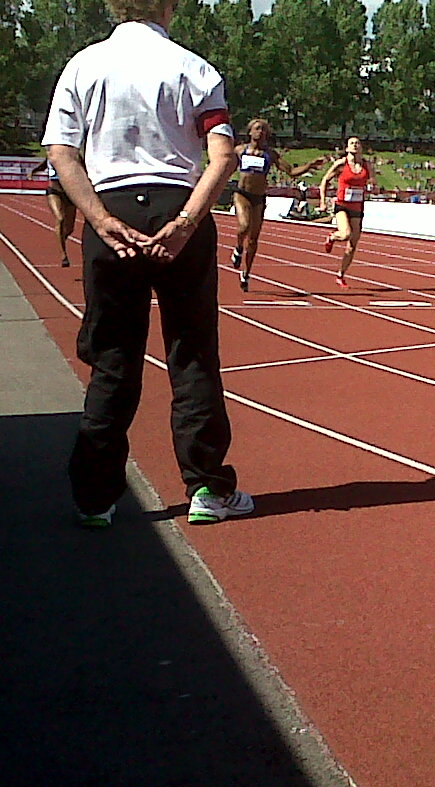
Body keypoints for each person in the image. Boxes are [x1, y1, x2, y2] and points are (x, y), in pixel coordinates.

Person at [42, 0, 254, 527]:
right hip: (177, 203)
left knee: (113, 359)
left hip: (109, 207)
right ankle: (207, 488)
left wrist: (97, 217)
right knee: (193, 354)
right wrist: (184, 224)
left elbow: (60, 151)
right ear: (169, 6)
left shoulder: (83, 65)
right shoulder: (193, 67)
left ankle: (95, 499)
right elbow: (223, 156)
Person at [231, 118, 325, 291]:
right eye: (258, 128)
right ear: (250, 132)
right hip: (242, 194)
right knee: (243, 226)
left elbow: (291, 172)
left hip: (258, 198)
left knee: (253, 240)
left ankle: (246, 273)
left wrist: (310, 165)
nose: (261, 132)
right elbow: (225, 167)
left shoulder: (270, 154)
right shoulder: (240, 151)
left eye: (264, 130)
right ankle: (237, 248)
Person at [318, 136, 377, 288]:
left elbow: (374, 183)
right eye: (352, 143)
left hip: (357, 207)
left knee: (352, 245)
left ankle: (340, 274)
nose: (355, 146)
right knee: (345, 234)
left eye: (358, 143)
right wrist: (323, 201)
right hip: (342, 205)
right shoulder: (341, 164)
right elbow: (324, 181)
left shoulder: (366, 165)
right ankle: (332, 237)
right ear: (347, 148)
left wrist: (373, 188)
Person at [29, 158, 77, 267]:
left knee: (69, 229)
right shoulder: (51, 153)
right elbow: (44, 164)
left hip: (69, 193)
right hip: (54, 191)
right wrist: (33, 171)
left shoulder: (72, 153)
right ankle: (63, 255)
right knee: (60, 218)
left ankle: (60, 238)